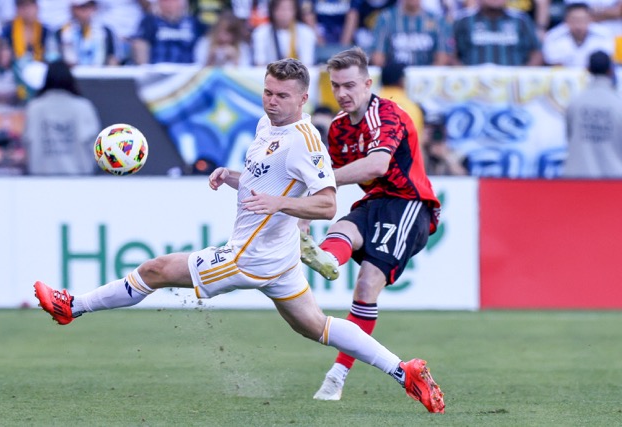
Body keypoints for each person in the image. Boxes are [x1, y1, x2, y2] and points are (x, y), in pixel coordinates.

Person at [32, 58, 445, 414]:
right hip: (278, 258)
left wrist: (277, 204)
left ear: (303, 99)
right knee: (316, 326)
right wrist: (232, 177)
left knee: (155, 269)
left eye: (282, 96)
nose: (272, 101)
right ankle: (404, 372)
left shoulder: (306, 143)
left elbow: (326, 206)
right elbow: (266, 181)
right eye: (268, 92)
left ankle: (74, 306)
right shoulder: (267, 125)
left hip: (250, 257)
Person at [297, 47, 442, 402]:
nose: (342, 94)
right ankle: (328, 260)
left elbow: (375, 166)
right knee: (340, 232)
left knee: (365, 287)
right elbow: (320, 180)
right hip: (375, 202)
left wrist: (327, 180)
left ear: (367, 83)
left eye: (349, 86)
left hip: (410, 205)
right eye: (336, 87)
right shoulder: (337, 129)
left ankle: (336, 377)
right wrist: (302, 216)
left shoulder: (388, 114)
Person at [22, 60, 100, 175]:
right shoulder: (83, 107)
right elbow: (95, 145)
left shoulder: (34, 108)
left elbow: (28, 143)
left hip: (40, 181)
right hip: (79, 180)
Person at [563, 50, 622, 177]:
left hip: (577, 178)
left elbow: (569, 137)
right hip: (613, 180)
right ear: (610, 70)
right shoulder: (618, 105)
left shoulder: (575, 103)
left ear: (588, 69)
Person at [452, 0, 543, 65]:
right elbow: (451, 53)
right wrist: (464, 75)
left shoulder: (521, 20)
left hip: (513, 85)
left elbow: (536, 52)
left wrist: (522, 75)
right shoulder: (463, 20)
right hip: (473, 86)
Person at [370, 0, 454, 67]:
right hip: (394, 83)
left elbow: (442, 59)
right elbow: (378, 58)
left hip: (428, 81)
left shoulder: (437, 20)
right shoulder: (386, 18)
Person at [542, 2, 614, 67]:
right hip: (564, 78)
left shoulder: (603, 34)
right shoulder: (553, 36)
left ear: (590, 19)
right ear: (566, 20)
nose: (578, 25)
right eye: (574, 20)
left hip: (595, 76)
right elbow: (554, 63)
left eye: (582, 20)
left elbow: (605, 62)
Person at [131, 0, 203, 65]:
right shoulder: (150, 21)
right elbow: (140, 43)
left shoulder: (194, 23)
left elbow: (206, 44)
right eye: (166, 1)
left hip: (187, 71)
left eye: (174, 1)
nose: (170, 4)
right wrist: (144, 68)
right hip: (157, 71)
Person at [251, 0, 317, 66]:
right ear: (272, 10)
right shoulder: (260, 33)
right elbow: (259, 63)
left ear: (295, 10)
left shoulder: (306, 33)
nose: (284, 13)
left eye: (288, 9)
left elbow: (307, 64)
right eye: (280, 9)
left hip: (298, 74)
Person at [56, 0, 118, 66]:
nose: (84, 11)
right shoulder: (61, 32)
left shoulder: (105, 32)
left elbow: (112, 58)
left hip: (99, 73)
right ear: (72, 9)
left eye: (88, 6)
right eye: (81, 7)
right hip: (68, 74)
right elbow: (54, 58)